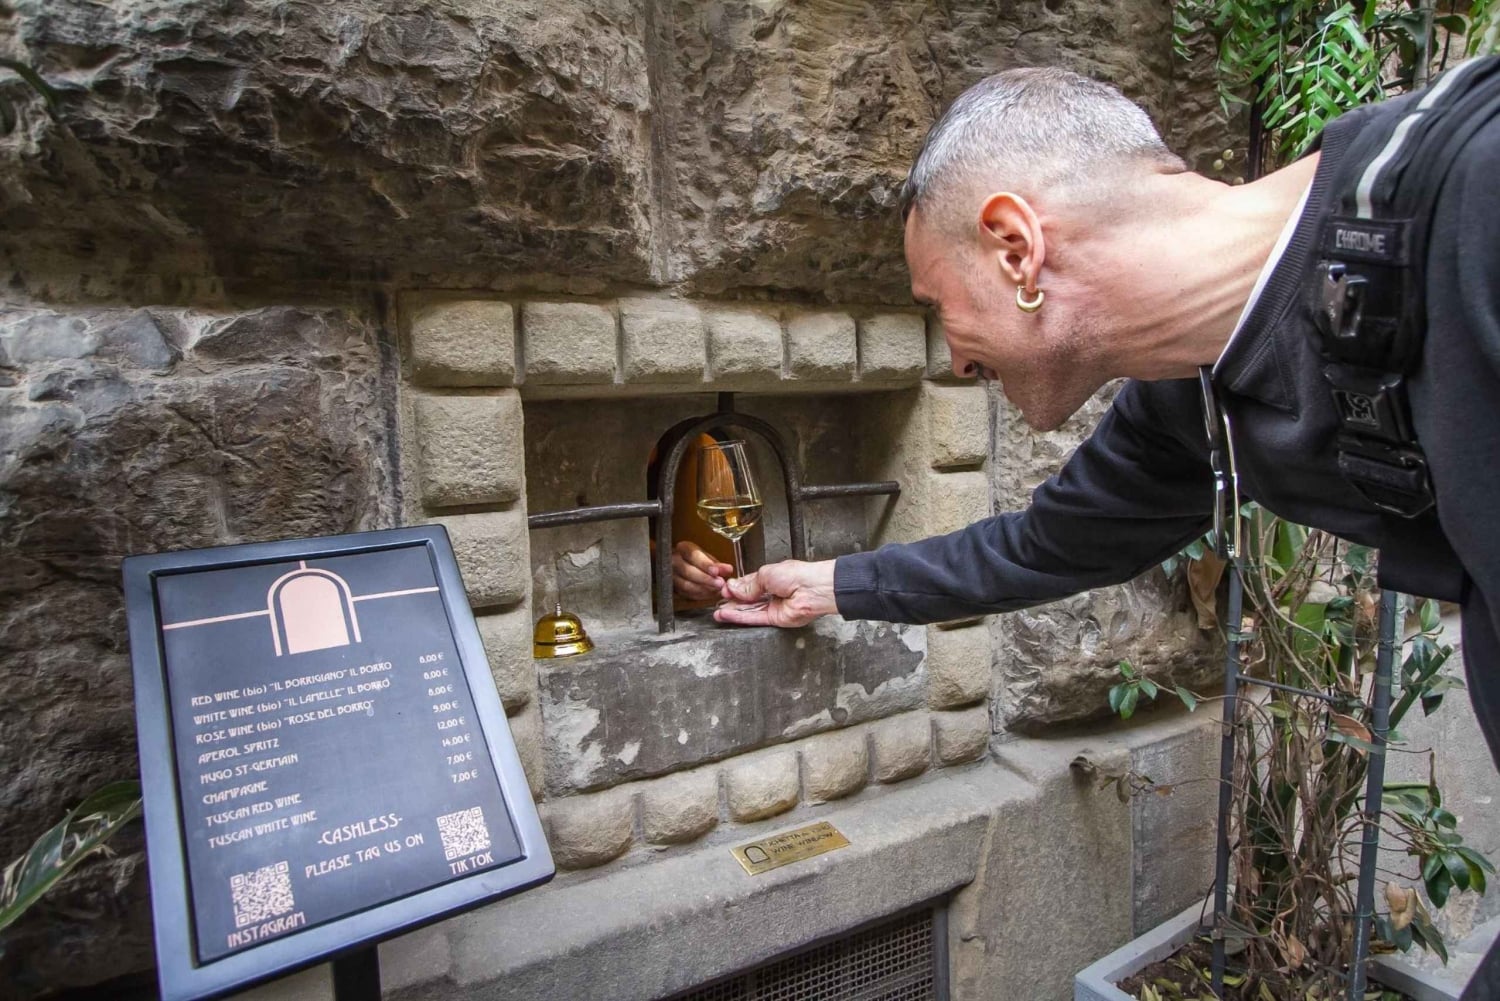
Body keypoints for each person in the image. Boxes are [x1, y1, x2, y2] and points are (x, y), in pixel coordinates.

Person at [706, 66, 1500, 997]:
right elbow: (1042, 547)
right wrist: (832, 585)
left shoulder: (1476, 194)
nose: (954, 358)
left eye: (937, 306)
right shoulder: (1188, 399)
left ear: (1015, 248)